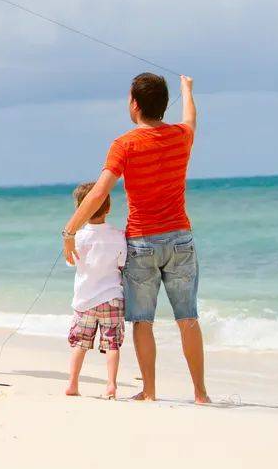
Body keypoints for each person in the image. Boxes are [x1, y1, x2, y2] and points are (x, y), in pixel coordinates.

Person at [60, 73, 210, 404]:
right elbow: (191, 118)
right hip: (181, 239)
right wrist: (187, 90)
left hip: (142, 242)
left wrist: (70, 231)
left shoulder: (124, 144)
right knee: (188, 318)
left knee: (143, 321)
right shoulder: (180, 136)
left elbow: (100, 191)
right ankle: (200, 393)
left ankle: (151, 391)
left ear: (135, 104)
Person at [64, 184, 126, 399]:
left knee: (79, 344)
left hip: (84, 300)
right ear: (108, 208)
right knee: (112, 344)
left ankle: (72, 384)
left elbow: (70, 261)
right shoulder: (119, 235)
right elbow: (122, 262)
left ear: (80, 210)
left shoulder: (78, 237)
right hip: (112, 298)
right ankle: (111, 385)